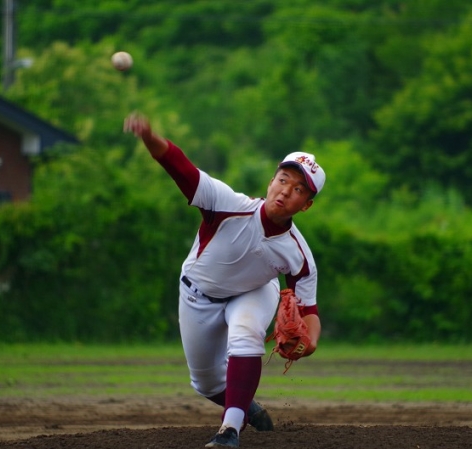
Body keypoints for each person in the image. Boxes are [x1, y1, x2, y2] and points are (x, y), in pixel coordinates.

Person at [124, 112, 324, 448]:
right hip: (197, 294)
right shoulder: (227, 204)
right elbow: (179, 166)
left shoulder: (298, 254)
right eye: (283, 179)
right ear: (271, 181)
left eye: (299, 189)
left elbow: (309, 310)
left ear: (306, 205)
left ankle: (229, 430)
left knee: (246, 334)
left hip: (254, 291)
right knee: (205, 383)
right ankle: (245, 405)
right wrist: (148, 136)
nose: (286, 190)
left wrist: (311, 342)